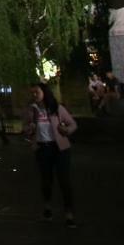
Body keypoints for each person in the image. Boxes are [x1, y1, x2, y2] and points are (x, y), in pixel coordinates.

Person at [22, 82, 78, 227]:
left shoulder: (57, 108)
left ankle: (69, 213)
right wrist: (30, 128)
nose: (34, 95)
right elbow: (26, 129)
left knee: (64, 181)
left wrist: (66, 130)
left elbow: (72, 124)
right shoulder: (31, 110)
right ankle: (47, 208)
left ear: (44, 93)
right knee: (46, 180)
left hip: (60, 148)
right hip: (42, 148)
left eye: (37, 92)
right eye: (32, 93)